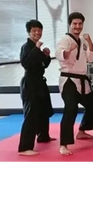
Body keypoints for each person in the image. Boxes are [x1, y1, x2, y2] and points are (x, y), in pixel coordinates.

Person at [55, 12, 93, 155]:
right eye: (74, 23)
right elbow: (60, 55)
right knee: (71, 108)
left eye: (80, 24)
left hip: (82, 79)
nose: (77, 26)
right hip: (68, 80)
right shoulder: (65, 39)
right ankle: (63, 144)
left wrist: (90, 42)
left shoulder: (82, 40)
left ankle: (82, 131)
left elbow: (91, 59)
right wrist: (68, 52)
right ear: (70, 24)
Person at [18, 19, 54, 156]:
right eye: (34, 30)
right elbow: (26, 63)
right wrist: (37, 48)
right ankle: (24, 147)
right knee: (31, 114)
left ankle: (43, 136)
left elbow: (43, 65)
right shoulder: (26, 47)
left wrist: (47, 56)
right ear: (29, 32)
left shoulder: (36, 47)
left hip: (40, 82)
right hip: (29, 83)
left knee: (44, 110)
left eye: (39, 30)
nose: (37, 32)